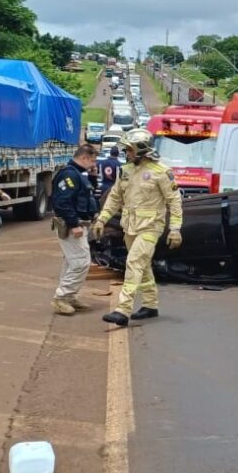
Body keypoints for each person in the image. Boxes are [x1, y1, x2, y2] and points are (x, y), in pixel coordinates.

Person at [91, 128, 182, 327]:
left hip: (151, 227)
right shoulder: (126, 170)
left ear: (141, 149)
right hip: (130, 227)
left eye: (129, 149)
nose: (126, 153)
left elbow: (174, 201)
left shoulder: (161, 172)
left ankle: (122, 310)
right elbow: (115, 197)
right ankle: (150, 305)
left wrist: (175, 229)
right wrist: (102, 219)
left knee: (133, 262)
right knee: (143, 265)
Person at [50, 144, 100, 316]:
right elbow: (62, 202)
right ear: (84, 157)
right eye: (92, 161)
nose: (93, 164)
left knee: (72, 262)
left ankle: (69, 296)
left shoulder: (79, 174)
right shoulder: (69, 174)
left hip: (79, 224)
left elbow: (86, 194)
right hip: (72, 225)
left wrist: (93, 177)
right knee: (81, 262)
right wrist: (73, 224)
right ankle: (62, 297)